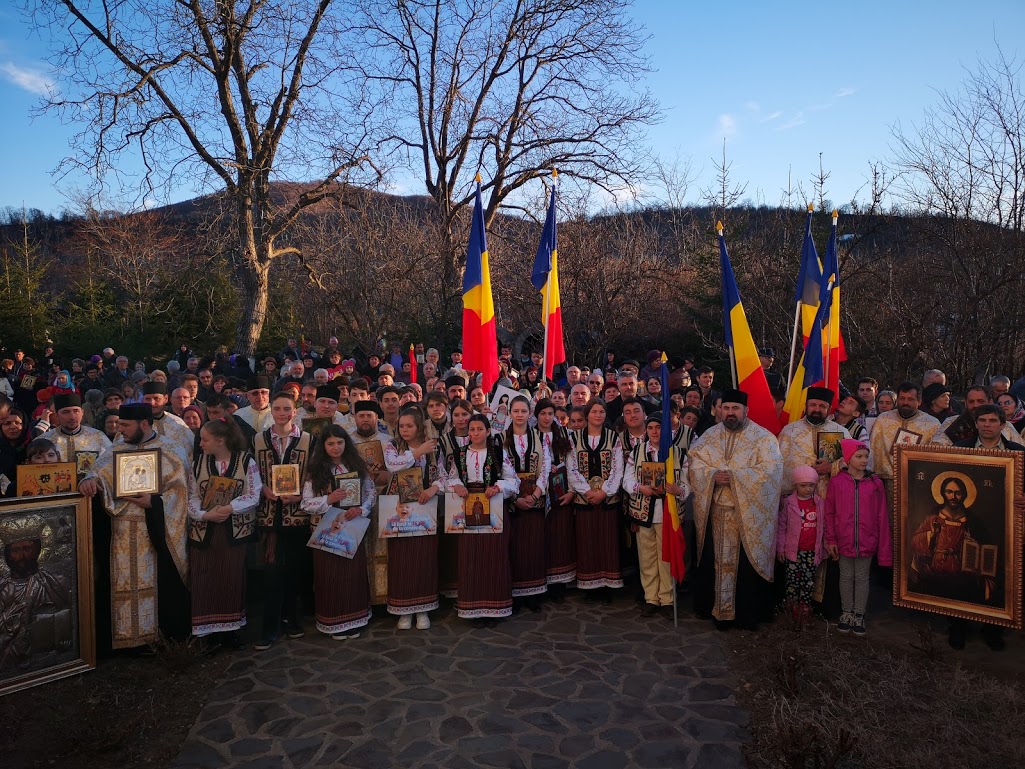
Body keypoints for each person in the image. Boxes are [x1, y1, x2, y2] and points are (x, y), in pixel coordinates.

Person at [80, 403, 192, 648]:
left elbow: (181, 494)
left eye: (125, 425)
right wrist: (89, 481)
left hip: (156, 530)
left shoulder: (172, 450)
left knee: (159, 579)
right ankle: (125, 640)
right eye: (119, 425)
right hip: (121, 529)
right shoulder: (115, 449)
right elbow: (99, 475)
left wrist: (153, 502)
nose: (120, 430)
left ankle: (158, 636)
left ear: (143, 424)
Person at [688, 389, 784, 630]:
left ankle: (745, 615)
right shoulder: (709, 436)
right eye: (726, 408)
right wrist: (711, 476)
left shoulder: (763, 439)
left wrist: (735, 477)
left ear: (746, 411)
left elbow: (771, 472)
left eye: (735, 409)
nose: (730, 413)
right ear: (720, 410)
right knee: (714, 561)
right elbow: (695, 464)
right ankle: (716, 610)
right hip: (715, 512)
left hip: (747, 517)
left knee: (744, 567)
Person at [187, 418, 261, 651]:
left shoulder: (246, 461)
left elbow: (253, 494)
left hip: (233, 531)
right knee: (204, 578)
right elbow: (191, 496)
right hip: (205, 531)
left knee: (231, 578)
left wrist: (230, 508)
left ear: (221, 440)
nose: (201, 444)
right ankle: (208, 634)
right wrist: (203, 516)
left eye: (205, 439)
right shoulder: (198, 464)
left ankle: (230, 633)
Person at [301, 425, 376, 640]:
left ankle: (355, 618)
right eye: (331, 443)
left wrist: (361, 509)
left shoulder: (356, 466)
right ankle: (334, 620)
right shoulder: (316, 472)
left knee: (352, 574)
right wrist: (328, 500)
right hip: (326, 528)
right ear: (323, 446)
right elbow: (306, 503)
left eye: (340, 442)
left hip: (353, 524)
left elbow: (370, 493)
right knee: (330, 575)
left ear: (346, 443)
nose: (336, 447)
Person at [252, 392, 314, 650]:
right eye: (276, 408)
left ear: (294, 411)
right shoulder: (258, 439)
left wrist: (302, 494)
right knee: (272, 571)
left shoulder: (308, 440)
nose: (281, 413)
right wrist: (263, 488)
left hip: (296, 515)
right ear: (271, 411)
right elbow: (252, 471)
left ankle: (290, 618)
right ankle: (269, 627)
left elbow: (313, 473)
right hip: (269, 514)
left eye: (286, 408)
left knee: (294, 571)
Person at [445, 413, 519, 626]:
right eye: (472, 430)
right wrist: (457, 485)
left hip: (493, 506)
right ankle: (472, 607)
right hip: (467, 506)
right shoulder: (459, 454)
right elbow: (451, 477)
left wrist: (498, 487)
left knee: (494, 555)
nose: (475, 433)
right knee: (471, 557)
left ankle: (495, 607)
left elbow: (512, 480)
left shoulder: (497, 452)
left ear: (488, 432)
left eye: (479, 429)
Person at [623, 413, 689, 618]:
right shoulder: (637, 451)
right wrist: (639, 487)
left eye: (658, 427)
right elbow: (627, 479)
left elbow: (688, 484)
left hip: (669, 514)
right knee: (647, 557)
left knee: (666, 557)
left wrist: (678, 490)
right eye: (650, 427)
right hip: (644, 511)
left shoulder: (679, 453)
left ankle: (667, 598)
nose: (654, 431)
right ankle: (651, 598)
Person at [824, 439, 891, 637]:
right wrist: (831, 539)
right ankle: (846, 613)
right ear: (848, 458)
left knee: (862, 578)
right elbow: (830, 512)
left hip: (866, 540)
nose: (864, 460)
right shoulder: (837, 482)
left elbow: (881, 515)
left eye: (866, 457)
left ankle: (859, 614)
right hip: (844, 540)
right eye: (859, 456)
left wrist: (882, 544)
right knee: (845, 577)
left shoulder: (875, 483)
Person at [383, 407, 442, 630]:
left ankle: (423, 608)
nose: (405, 430)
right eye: (402, 426)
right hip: (399, 507)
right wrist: (417, 453)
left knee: (423, 557)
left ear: (419, 426)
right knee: (401, 558)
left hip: (424, 505)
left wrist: (433, 488)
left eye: (410, 426)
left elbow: (443, 472)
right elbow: (393, 465)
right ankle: (403, 609)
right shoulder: (393, 446)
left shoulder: (433, 447)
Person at [566, 399, 624, 604]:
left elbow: (618, 468)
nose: (598, 415)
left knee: (608, 541)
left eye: (601, 411)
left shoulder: (612, 437)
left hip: (608, 499)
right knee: (587, 541)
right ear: (587, 414)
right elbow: (571, 468)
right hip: (585, 499)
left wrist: (605, 492)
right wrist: (587, 491)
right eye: (594, 411)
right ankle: (590, 585)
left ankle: (607, 584)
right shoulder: (574, 438)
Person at [0, 518, 72, 670]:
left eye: (27, 549)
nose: (22, 556)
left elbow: (67, 612)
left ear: (38, 550)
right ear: (7, 555)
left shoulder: (54, 584)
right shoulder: (3, 590)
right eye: (15, 551)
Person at [504, 395, 551, 611]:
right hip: (513, 501)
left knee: (534, 546)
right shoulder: (501, 438)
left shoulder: (539, 437)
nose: (520, 415)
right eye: (516, 411)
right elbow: (500, 469)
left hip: (534, 500)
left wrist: (536, 494)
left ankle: (534, 593)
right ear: (510, 413)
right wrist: (516, 498)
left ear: (529, 413)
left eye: (524, 411)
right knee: (514, 547)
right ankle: (516, 593)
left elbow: (546, 467)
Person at [868, 382, 941, 506]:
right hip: (886, 481)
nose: (905, 403)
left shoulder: (932, 424)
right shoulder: (884, 419)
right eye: (902, 398)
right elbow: (873, 449)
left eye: (910, 399)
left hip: (918, 483)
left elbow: (936, 457)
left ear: (919, 401)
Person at [535, 398, 575, 601]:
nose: (547, 418)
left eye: (550, 414)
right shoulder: (531, 434)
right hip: (540, 489)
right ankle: (542, 582)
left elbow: (571, 461)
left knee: (560, 536)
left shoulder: (564, 434)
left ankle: (559, 584)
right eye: (543, 413)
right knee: (543, 536)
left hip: (561, 487)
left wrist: (572, 490)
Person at [777, 387, 850, 499]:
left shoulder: (841, 432)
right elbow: (778, 464)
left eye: (822, 406)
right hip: (796, 497)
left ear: (829, 408)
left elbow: (853, 462)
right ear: (806, 406)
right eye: (813, 405)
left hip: (830, 496)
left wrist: (832, 467)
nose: (817, 409)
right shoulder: (789, 431)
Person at [777, 464, 826, 626]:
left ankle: (804, 611)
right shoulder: (789, 503)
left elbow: (823, 526)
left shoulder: (819, 503)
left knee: (808, 581)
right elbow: (782, 527)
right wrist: (781, 547)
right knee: (792, 582)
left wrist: (823, 548)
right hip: (793, 552)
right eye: (803, 485)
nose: (807, 489)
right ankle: (791, 611)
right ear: (796, 485)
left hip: (812, 552)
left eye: (811, 485)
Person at [39, 393, 112, 482]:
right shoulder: (45, 440)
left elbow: (110, 467)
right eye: (66, 412)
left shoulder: (98, 437)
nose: (72, 417)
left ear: (82, 413)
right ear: (56, 415)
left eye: (76, 411)